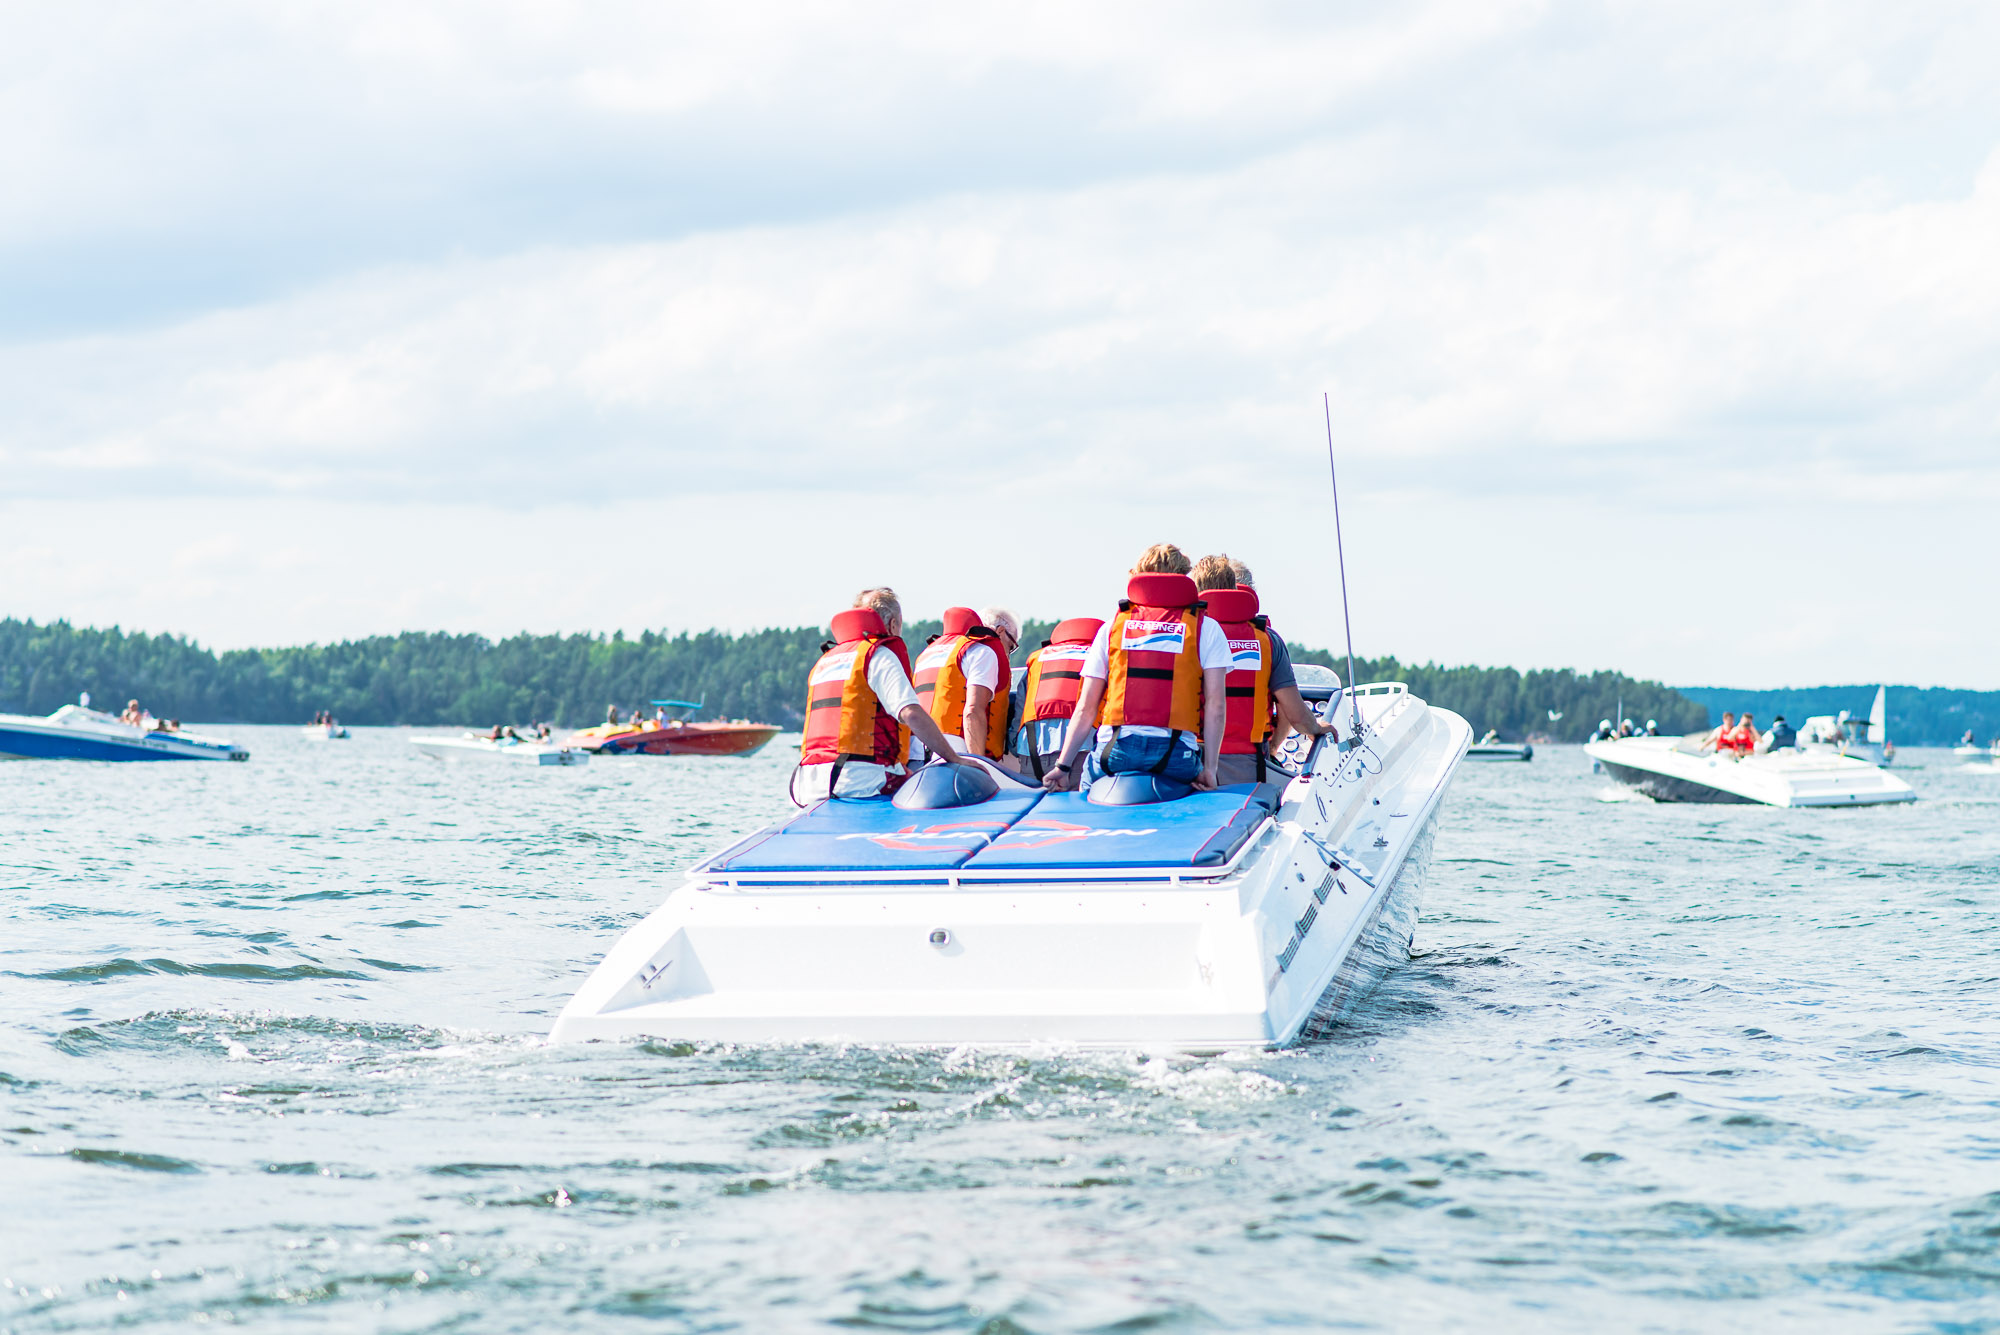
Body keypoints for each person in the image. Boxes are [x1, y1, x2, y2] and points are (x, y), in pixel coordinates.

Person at [1041, 543, 1232, 793]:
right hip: (1176, 755)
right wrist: (1210, 770)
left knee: (1086, 785)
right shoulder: (1206, 628)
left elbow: (1086, 707)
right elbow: (1216, 706)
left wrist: (1063, 767)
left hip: (1116, 751)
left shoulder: (1112, 627)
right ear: (1184, 578)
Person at [795, 587, 971, 803]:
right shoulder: (877, 655)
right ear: (892, 625)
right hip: (860, 781)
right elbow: (911, 713)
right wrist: (954, 758)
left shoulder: (826, 660)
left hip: (809, 784)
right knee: (942, 789)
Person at [1190, 555, 1330, 785]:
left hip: (1191, 762)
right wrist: (1314, 727)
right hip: (1250, 765)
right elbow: (1293, 714)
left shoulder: (1187, 635)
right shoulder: (1267, 640)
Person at [910, 606, 1017, 764]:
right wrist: (979, 764)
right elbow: (972, 712)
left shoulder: (926, 653)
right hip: (953, 748)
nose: (1008, 653)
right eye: (1011, 646)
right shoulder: (979, 649)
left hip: (916, 751)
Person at [1013, 617, 1104, 779]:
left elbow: (1020, 708)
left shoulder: (1037, 659)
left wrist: (1015, 745)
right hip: (1083, 750)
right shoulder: (1100, 657)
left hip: (1031, 751)